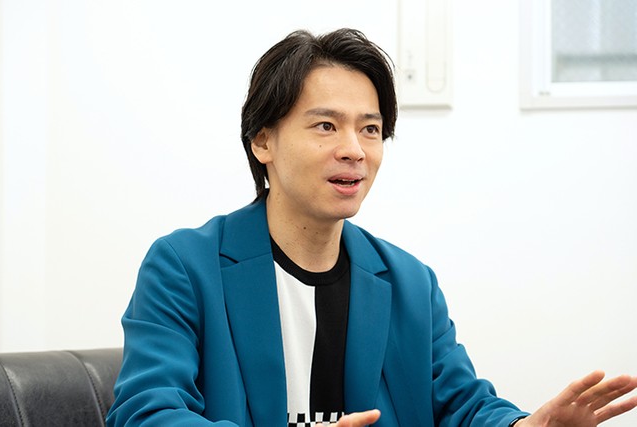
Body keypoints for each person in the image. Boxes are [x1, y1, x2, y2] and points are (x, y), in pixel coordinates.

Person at [106, 28, 637, 427]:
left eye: (370, 129)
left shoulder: (410, 283)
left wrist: (525, 426)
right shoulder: (185, 267)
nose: (354, 150)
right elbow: (146, 412)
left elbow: (463, 406)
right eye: (326, 125)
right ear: (262, 141)